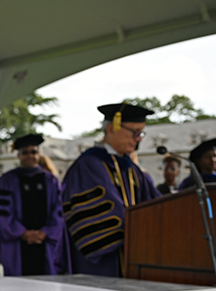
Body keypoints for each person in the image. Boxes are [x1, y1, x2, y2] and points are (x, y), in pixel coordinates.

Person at [62, 103, 160, 277]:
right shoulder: (88, 165)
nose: (138, 139)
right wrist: (137, 230)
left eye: (141, 133)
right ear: (111, 128)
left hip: (135, 257)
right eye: (135, 132)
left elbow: (157, 204)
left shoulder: (133, 170)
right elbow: (103, 214)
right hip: (103, 263)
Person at [0, 134, 67, 276]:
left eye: (34, 152)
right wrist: (22, 233)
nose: (30, 155)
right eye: (25, 152)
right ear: (19, 155)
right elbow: (1, 214)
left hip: (45, 243)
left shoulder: (51, 181)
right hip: (17, 245)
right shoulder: (6, 181)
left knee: (47, 288)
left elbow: (59, 211)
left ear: (39, 154)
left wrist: (45, 232)